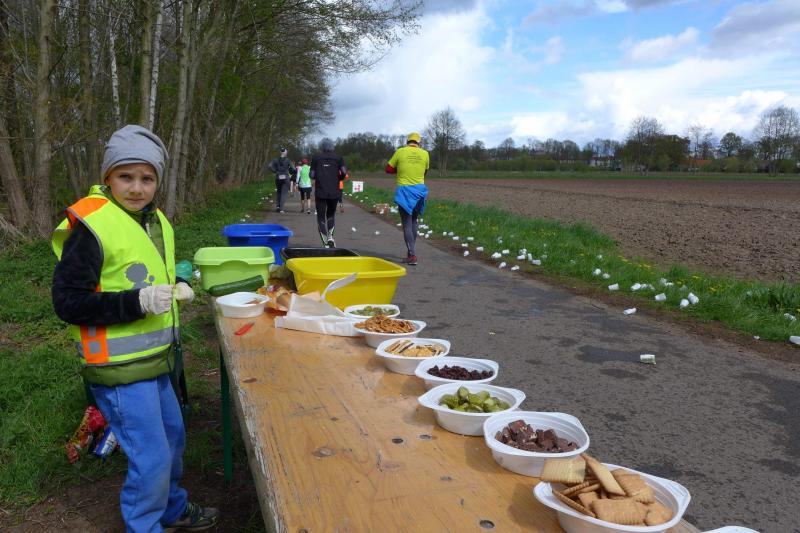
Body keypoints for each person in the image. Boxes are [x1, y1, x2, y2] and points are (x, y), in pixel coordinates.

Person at [51, 125, 219, 532]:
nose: (137, 188)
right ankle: (144, 525)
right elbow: (67, 302)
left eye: (147, 178)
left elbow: (140, 272)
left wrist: (177, 283)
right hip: (118, 370)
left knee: (173, 441)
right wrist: (137, 303)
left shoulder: (154, 219)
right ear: (108, 176)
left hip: (156, 361)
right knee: (152, 458)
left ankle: (171, 509)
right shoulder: (92, 225)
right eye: (126, 176)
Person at [385, 132, 430, 265]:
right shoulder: (425, 154)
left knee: (407, 224)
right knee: (414, 221)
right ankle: (411, 252)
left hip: (405, 191)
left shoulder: (400, 152)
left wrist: (399, 169)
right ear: (418, 143)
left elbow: (388, 169)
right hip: (420, 191)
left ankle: (412, 255)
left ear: (408, 141)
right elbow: (425, 172)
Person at [310, 138, 347, 247]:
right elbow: (344, 172)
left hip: (320, 191)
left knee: (321, 217)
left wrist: (318, 176)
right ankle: (331, 237)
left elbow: (312, 175)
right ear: (332, 146)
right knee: (331, 215)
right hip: (334, 191)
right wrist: (340, 178)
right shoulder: (339, 158)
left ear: (322, 146)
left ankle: (325, 243)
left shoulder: (316, 157)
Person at [268, 147, 295, 213]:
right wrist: (291, 172)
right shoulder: (288, 160)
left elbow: (269, 166)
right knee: (284, 193)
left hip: (278, 177)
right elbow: (293, 168)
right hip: (286, 177)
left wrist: (275, 171)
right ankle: (281, 208)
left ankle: (278, 206)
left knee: (279, 192)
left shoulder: (275, 160)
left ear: (280, 153)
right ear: (285, 153)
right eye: (286, 152)